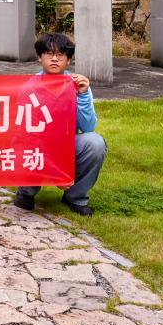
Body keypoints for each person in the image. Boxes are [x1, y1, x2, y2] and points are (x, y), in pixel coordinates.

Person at [14, 33, 107, 217]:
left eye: (60, 55)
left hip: (67, 143)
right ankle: (26, 192)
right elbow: (26, 135)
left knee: (95, 143)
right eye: (49, 53)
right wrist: (55, 173)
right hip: (38, 144)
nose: (55, 59)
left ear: (69, 60)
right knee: (25, 146)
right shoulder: (28, 88)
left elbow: (88, 127)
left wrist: (83, 95)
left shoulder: (77, 84)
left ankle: (76, 197)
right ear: (40, 57)